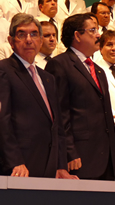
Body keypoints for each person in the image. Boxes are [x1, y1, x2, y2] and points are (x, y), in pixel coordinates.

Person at [45, 13, 115, 180]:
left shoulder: (99, 70)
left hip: (105, 159)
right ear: (77, 35)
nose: (98, 34)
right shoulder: (59, 65)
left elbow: (106, 115)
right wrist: (69, 152)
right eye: (92, 30)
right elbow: (60, 115)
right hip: (79, 157)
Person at [0, 13, 75, 179]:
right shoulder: (3, 70)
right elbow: (2, 121)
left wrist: (61, 165)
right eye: (21, 34)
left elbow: (58, 126)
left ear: (40, 41)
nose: (28, 39)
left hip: (49, 167)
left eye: (34, 34)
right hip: (18, 169)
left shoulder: (48, 78)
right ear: (11, 41)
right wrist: (14, 161)